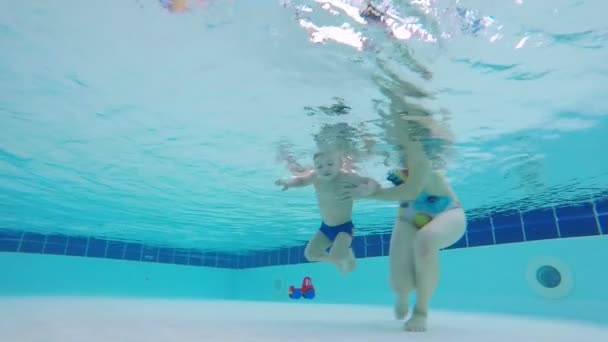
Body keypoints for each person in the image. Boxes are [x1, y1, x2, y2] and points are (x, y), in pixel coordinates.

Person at [339, 120, 466, 332]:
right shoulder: (389, 155)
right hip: (408, 216)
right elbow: (371, 179)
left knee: (426, 240)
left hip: (446, 211)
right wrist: (367, 186)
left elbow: (410, 191)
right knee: (400, 283)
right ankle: (403, 296)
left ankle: (421, 311)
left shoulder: (424, 152)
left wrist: (374, 194)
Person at [275, 150, 380, 274]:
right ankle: (339, 257)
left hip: (344, 229)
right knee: (310, 255)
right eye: (319, 166)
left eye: (330, 164)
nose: (325, 169)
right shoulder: (315, 176)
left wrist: (366, 191)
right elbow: (301, 181)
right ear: (315, 168)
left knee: (337, 256)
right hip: (325, 228)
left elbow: (372, 183)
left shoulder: (347, 177)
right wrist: (289, 183)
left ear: (340, 163)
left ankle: (345, 253)